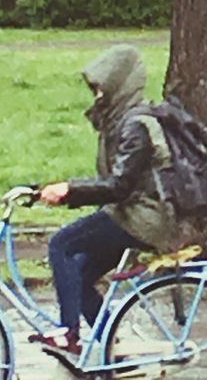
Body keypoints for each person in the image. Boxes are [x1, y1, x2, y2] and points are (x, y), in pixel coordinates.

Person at [31, 43, 177, 357]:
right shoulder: (120, 122)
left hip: (142, 217)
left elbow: (119, 186)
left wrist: (71, 191)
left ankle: (68, 333)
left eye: (101, 89)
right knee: (79, 277)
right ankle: (112, 354)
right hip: (130, 213)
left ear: (121, 85)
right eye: (94, 90)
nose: (97, 96)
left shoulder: (135, 125)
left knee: (62, 244)